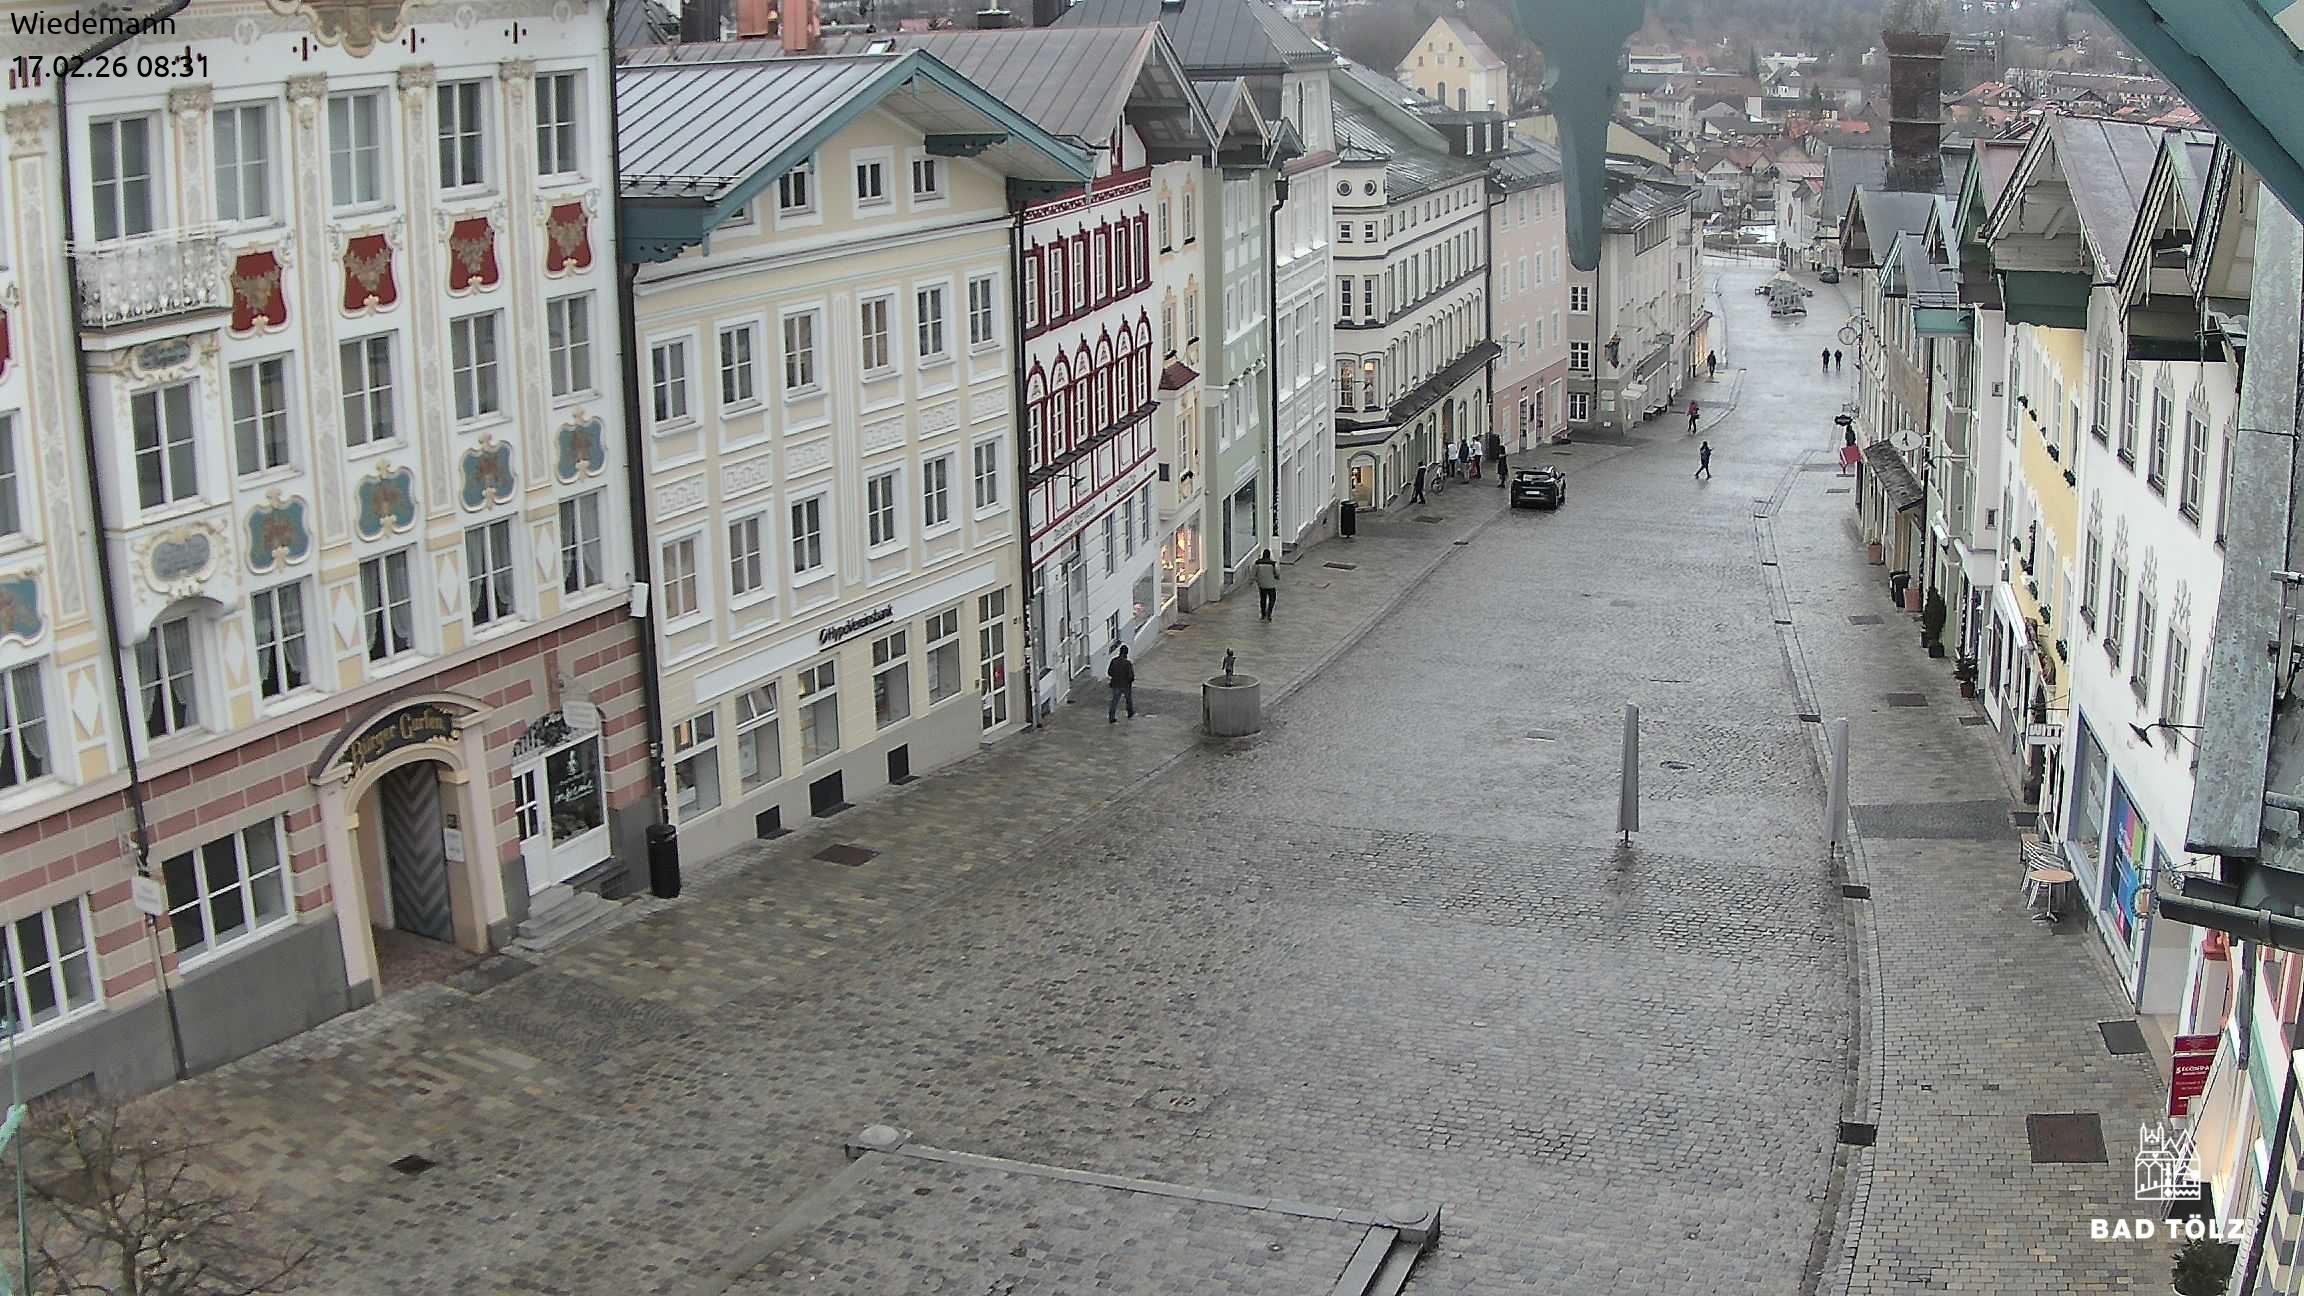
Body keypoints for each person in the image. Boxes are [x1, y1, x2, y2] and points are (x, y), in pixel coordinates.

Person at [1106, 645, 1135, 723]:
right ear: (1126, 653)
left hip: (1115, 684)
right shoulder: (1128, 663)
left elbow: (1109, 672)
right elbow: (1131, 676)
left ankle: (1111, 717)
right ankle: (1130, 713)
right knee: (1128, 700)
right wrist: (1130, 681)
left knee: (1114, 701)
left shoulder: (1114, 661)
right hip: (1126, 685)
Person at [1254, 550, 1280, 620]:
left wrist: (1257, 580)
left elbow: (1254, 573)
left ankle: (1263, 614)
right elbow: (1277, 573)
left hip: (1261, 584)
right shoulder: (1273, 564)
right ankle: (1269, 612)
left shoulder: (1258, 563)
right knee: (1272, 598)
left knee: (1263, 599)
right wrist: (1277, 577)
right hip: (1271, 585)